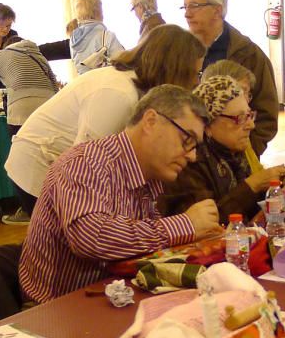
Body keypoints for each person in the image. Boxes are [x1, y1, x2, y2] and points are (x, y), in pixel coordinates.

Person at [18, 85, 219, 304]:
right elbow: (90, 238)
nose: (192, 156)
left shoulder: (151, 174)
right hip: (57, 311)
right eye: (187, 140)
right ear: (151, 121)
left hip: (112, 297)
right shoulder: (85, 163)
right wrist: (184, 226)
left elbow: (142, 250)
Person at [5, 24, 204, 215]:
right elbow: (85, 164)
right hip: (36, 166)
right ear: (175, 68)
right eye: (194, 74)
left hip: (50, 162)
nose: (196, 82)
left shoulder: (129, 86)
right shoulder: (119, 93)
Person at [158, 75, 285, 223]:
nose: (251, 125)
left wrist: (275, 185)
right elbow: (207, 224)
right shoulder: (190, 161)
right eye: (239, 118)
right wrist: (252, 185)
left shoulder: (236, 154)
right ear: (208, 125)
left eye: (250, 115)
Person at [0, 35, 59, 225]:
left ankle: (28, 210)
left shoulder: (1, 55)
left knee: (21, 163)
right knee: (50, 161)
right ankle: (55, 206)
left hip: (21, 112)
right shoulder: (39, 56)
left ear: (5, 46)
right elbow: (54, 85)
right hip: (49, 111)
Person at [182, 0, 278, 155]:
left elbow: (267, 116)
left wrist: (244, 154)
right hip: (190, 161)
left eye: (194, 6)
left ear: (217, 10)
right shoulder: (180, 53)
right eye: (185, 7)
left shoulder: (249, 55)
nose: (187, 14)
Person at [70, 0, 125, 75]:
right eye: (101, 10)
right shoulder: (107, 36)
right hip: (105, 83)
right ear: (97, 12)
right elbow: (122, 63)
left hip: (84, 84)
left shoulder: (73, 39)